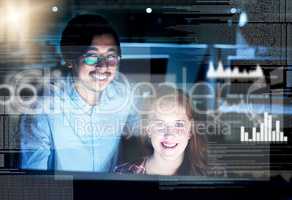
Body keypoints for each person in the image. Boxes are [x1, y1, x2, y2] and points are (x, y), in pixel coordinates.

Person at [20, 14, 140, 172]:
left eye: (111, 57)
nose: (103, 67)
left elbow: (142, 137)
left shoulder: (124, 93)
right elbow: (33, 176)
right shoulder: (42, 107)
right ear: (69, 59)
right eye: (91, 57)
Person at [114, 87, 208, 176]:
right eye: (160, 124)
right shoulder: (122, 173)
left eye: (179, 124)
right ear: (148, 129)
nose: (169, 135)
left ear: (190, 131)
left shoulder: (207, 177)